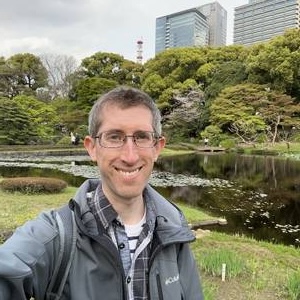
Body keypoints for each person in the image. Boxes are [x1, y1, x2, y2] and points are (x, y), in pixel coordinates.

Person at [0, 86, 203, 299]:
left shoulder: (173, 229)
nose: (130, 156)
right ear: (92, 148)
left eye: (142, 137)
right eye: (114, 137)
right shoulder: (55, 235)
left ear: (157, 147)